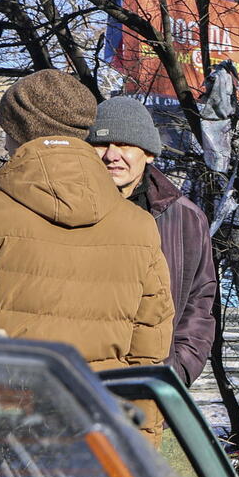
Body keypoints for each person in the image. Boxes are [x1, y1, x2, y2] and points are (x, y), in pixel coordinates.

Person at [0, 70, 173, 371]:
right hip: (103, 408)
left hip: (9, 406)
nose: (5, 145)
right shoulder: (140, 226)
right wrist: (139, 419)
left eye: (7, 131)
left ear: (19, 133)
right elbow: (149, 350)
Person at [89, 97, 217, 385]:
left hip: (151, 381)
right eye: (101, 144)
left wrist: (178, 369)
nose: (111, 155)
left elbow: (200, 300)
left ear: (148, 153)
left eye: (124, 145)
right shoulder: (66, 210)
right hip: (79, 381)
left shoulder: (184, 218)